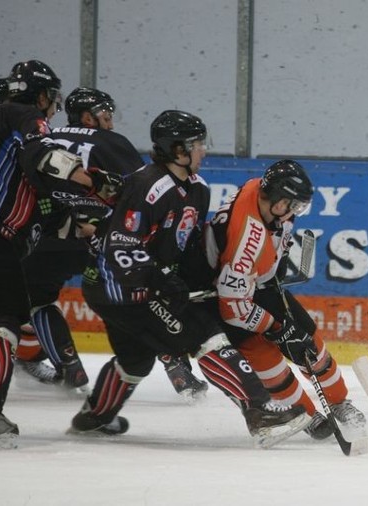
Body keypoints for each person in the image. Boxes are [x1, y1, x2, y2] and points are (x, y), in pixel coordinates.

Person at [69, 110, 310, 448]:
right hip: (123, 288)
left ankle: (92, 418)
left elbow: (186, 244)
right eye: (197, 144)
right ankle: (260, 413)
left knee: (135, 361)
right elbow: (121, 245)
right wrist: (161, 280)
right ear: (177, 150)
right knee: (207, 337)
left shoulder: (198, 189)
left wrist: (201, 277)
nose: (203, 150)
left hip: (137, 287)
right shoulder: (148, 186)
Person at [12, 87, 209, 402]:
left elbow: (25, 185)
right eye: (106, 116)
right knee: (144, 296)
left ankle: (71, 370)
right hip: (105, 241)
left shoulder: (46, 137)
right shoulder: (111, 142)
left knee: (38, 300)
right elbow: (138, 193)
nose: (111, 124)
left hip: (50, 238)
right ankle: (178, 370)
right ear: (89, 117)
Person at [0, 60, 121, 448]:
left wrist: (88, 222)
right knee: (2, 320)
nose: (52, 108)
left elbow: (43, 197)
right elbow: (44, 155)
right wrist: (92, 180)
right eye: (51, 99)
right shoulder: (21, 115)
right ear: (41, 95)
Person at [201, 159, 366, 440]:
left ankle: (339, 403)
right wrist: (277, 328)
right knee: (266, 360)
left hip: (258, 285)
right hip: (223, 296)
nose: (294, 212)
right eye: (292, 205)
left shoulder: (266, 199)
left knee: (309, 344)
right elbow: (232, 308)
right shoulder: (246, 237)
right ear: (277, 200)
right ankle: (307, 414)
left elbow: (273, 238)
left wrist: (277, 263)